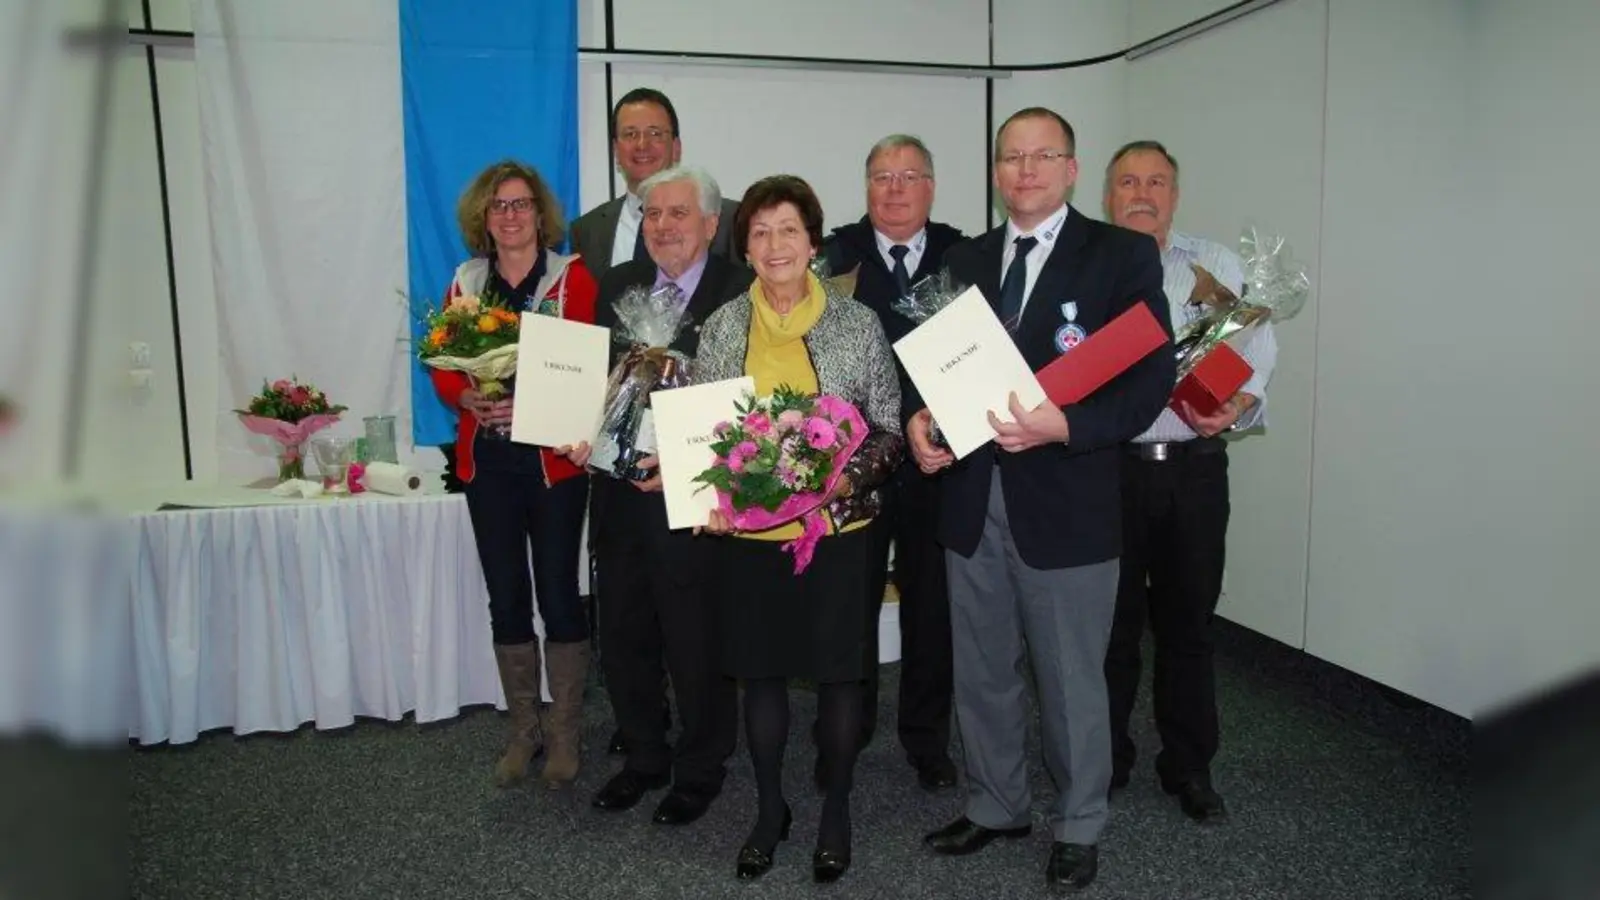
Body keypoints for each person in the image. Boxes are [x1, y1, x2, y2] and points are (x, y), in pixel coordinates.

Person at [910, 108, 1175, 892]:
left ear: (1069, 168)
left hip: (1066, 498)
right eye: (1010, 158)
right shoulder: (964, 259)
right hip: (972, 496)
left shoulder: (1120, 255)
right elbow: (937, 370)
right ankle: (996, 805)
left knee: (1070, 676)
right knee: (983, 669)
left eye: (1041, 156)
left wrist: (1069, 425)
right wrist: (922, 420)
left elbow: (1149, 376)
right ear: (996, 173)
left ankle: (1081, 821)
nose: (1025, 170)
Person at [694, 175, 903, 884]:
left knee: (842, 679)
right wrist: (711, 496)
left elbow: (887, 428)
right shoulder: (723, 327)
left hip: (837, 534)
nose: (774, 244)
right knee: (761, 678)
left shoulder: (857, 323)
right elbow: (706, 438)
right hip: (751, 542)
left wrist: (844, 479)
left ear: (813, 243)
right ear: (744, 246)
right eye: (759, 232)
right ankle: (770, 809)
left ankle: (837, 809)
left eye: (788, 230)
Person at [1102, 140, 1278, 823]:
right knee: (1108, 630)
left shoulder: (1219, 265)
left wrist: (1242, 401)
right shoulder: (1090, 268)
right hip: (1108, 472)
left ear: (1176, 193)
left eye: (1157, 181)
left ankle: (1190, 764)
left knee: (1189, 625)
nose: (1143, 193)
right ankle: (1105, 758)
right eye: (1128, 181)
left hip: (1194, 474)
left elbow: (1256, 356)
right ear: (1107, 195)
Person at [569, 165, 751, 825]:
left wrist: (684, 463)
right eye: (652, 215)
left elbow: (750, 405)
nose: (664, 226)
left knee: (696, 639)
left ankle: (701, 768)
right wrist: (573, 428)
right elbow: (593, 381)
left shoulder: (742, 292)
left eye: (679, 214)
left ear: (711, 224)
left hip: (696, 500)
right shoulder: (617, 285)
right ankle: (643, 756)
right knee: (622, 634)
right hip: (620, 498)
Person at [429, 160, 598, 791]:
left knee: (558, 593)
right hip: (489, 464)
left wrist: (527, 400)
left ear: (540, 213)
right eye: (499, 206)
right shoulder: (467, 280)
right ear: (484, 216)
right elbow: (444, 362)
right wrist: (464, 398)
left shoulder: (571, 278)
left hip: (552, 464)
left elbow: (584, 362)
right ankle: (522, 728)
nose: (510, 215)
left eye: (521, 204)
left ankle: (564, 731)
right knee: (506, 596)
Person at [818, 134, 964, 792]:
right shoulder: (832, 256)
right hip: (856, 466)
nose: (896, 189)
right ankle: (844, 735)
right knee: (848, 605)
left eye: (910, 177)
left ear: (931, 188)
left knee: (933, 608)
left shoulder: (966, 255)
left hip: (941, 462)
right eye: (882, 176)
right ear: (866, 186)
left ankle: (927, 738)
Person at [569, 88, 739, 275]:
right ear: (616, 150)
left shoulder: (729, 219)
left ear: (676, 147)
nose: (642, 145)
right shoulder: (587, 230)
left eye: (655, 133)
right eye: (630, 134)